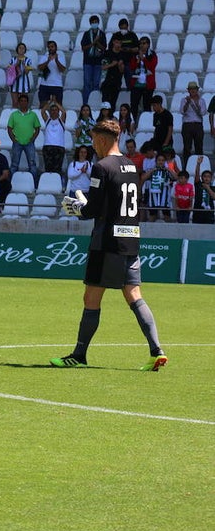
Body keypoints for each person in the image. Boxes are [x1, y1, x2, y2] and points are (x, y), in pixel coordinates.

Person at [53, 118, 167, 370]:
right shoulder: (131, 165)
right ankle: (156, 349)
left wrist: (77, 209)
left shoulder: (101, 167)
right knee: (134, 295)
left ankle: (79, 355)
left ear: (103, 139)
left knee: (91, 298)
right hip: (131, 239)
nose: (93, 145)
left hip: (106, 242)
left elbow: (92, 209)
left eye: (94, 140)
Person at [7, 93, 41, 181]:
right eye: (21, 101)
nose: (23, 103)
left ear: (28, 102)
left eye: (25, 101)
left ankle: (34, 184)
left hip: (29, 143)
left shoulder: (33, 115)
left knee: (32, 164)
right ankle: (12, 183)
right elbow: (9, 128)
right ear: (18, 102)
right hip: (17, 143)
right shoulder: (14, 114)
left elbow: (37, 128)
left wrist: (33, 139)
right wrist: (13, 139)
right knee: (14, 164)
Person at [80, 15, 106, 97]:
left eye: (96, 22)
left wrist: (97, 43)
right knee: (87, 83)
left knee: (96, 83)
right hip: (87, 61)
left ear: (98, 23)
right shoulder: (86, 34)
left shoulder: (101, 34)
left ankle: (94, 101)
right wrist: (93, 43)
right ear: (90, 23)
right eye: (93, 22)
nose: (94, 23)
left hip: (98, 62)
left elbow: (104, 48)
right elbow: (83, 48)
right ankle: (86, 103)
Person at [180, 81, 206, 163]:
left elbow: (202, 113)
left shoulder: (202, 101)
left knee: (199, 146)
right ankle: (186, 165)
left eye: (194, 89)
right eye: (191, 89)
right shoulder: (184, 100)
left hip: (198, 125)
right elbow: (182, 111)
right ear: (188, 90)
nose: (193, 91)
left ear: (197, 90)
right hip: (187, 125)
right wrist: (187, 103)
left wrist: (197, 105)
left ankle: (200, 165)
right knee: (187, 147)